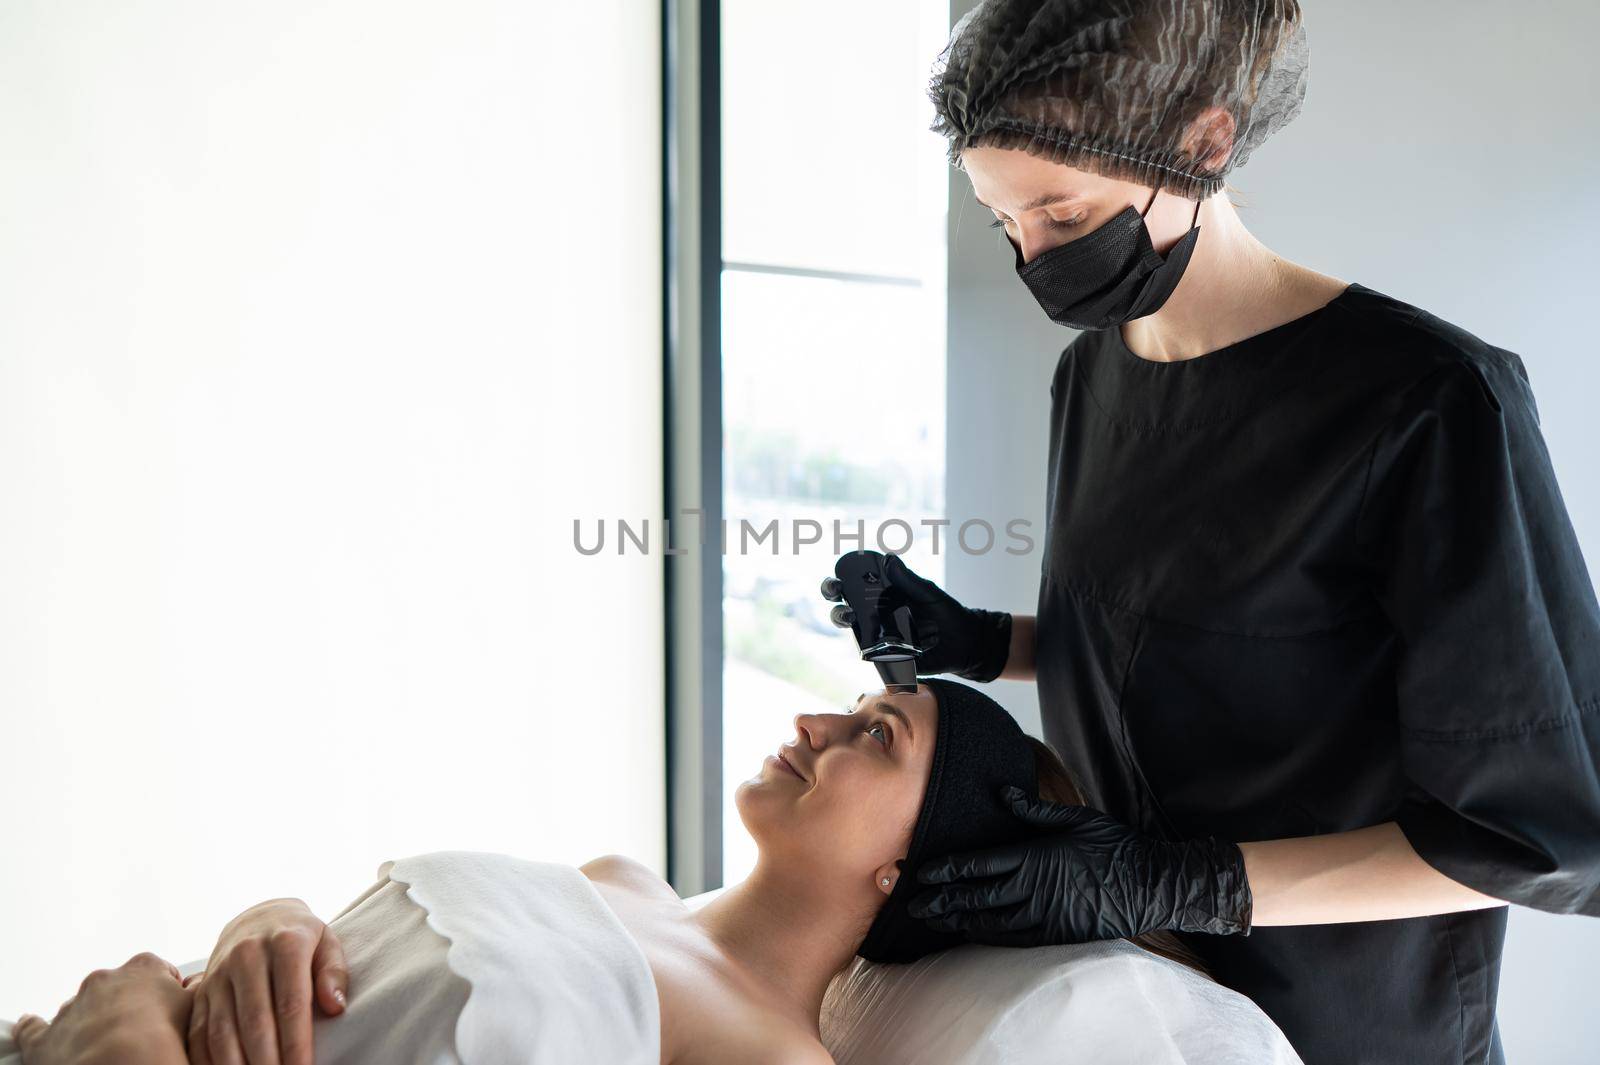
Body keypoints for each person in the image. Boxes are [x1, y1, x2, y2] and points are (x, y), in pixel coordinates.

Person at [818, 2, 1600, 1063]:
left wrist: (1175, 878)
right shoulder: (1094, 375)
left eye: (1060, 212)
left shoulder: (1429, 403)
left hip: (1349, 1028)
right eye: (1003, 221)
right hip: (1134, 1004)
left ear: (1203, 141)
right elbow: (1218, 650)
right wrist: (983, 641)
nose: (1032, 256)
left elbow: (1536, 837)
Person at [3, 680, 1300, 1065]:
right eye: (848, 706)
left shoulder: (776, 1063)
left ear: (917, 857)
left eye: (872, 741)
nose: (813, 727)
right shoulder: (623, 878)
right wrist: (252, 923)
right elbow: (335, 927)